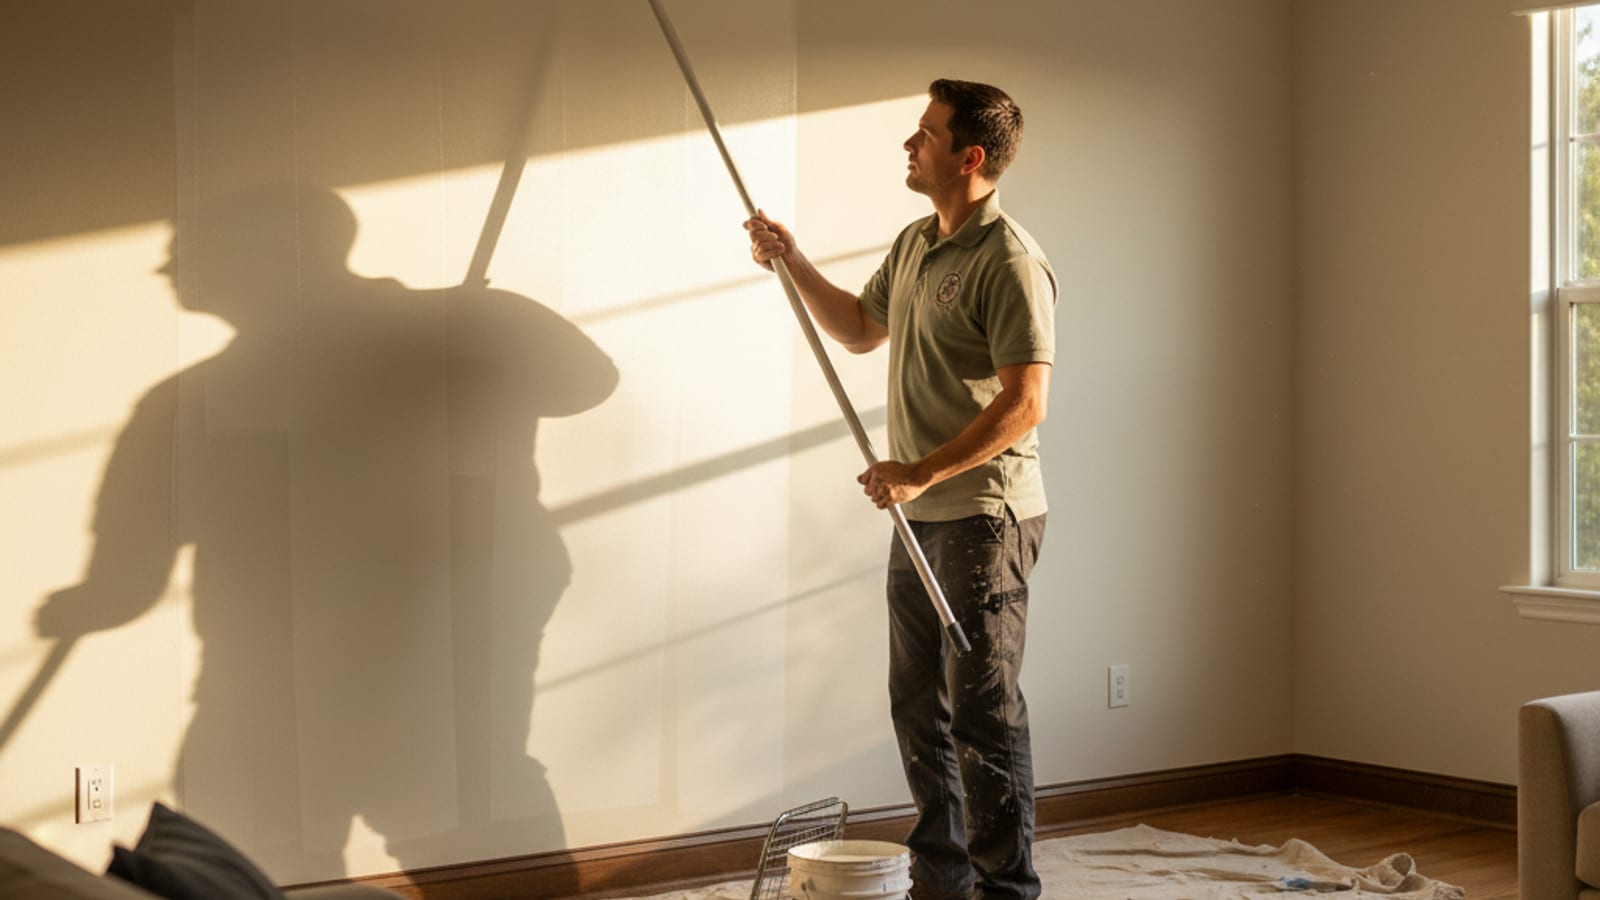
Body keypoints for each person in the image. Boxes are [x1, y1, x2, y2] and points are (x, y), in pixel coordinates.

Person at [745, 79, 1056, 900]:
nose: (910, 144)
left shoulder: (1010, 260)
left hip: (985, 517)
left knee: (983, 714)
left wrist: (921, 469)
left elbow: (1027, 403)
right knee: (919, 707)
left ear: (970, 156)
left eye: (926, 133)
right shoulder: (918, 243)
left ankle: (1006, 891)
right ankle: (941, 882)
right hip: (920, 518)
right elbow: (856, 328)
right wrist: (792, 258)